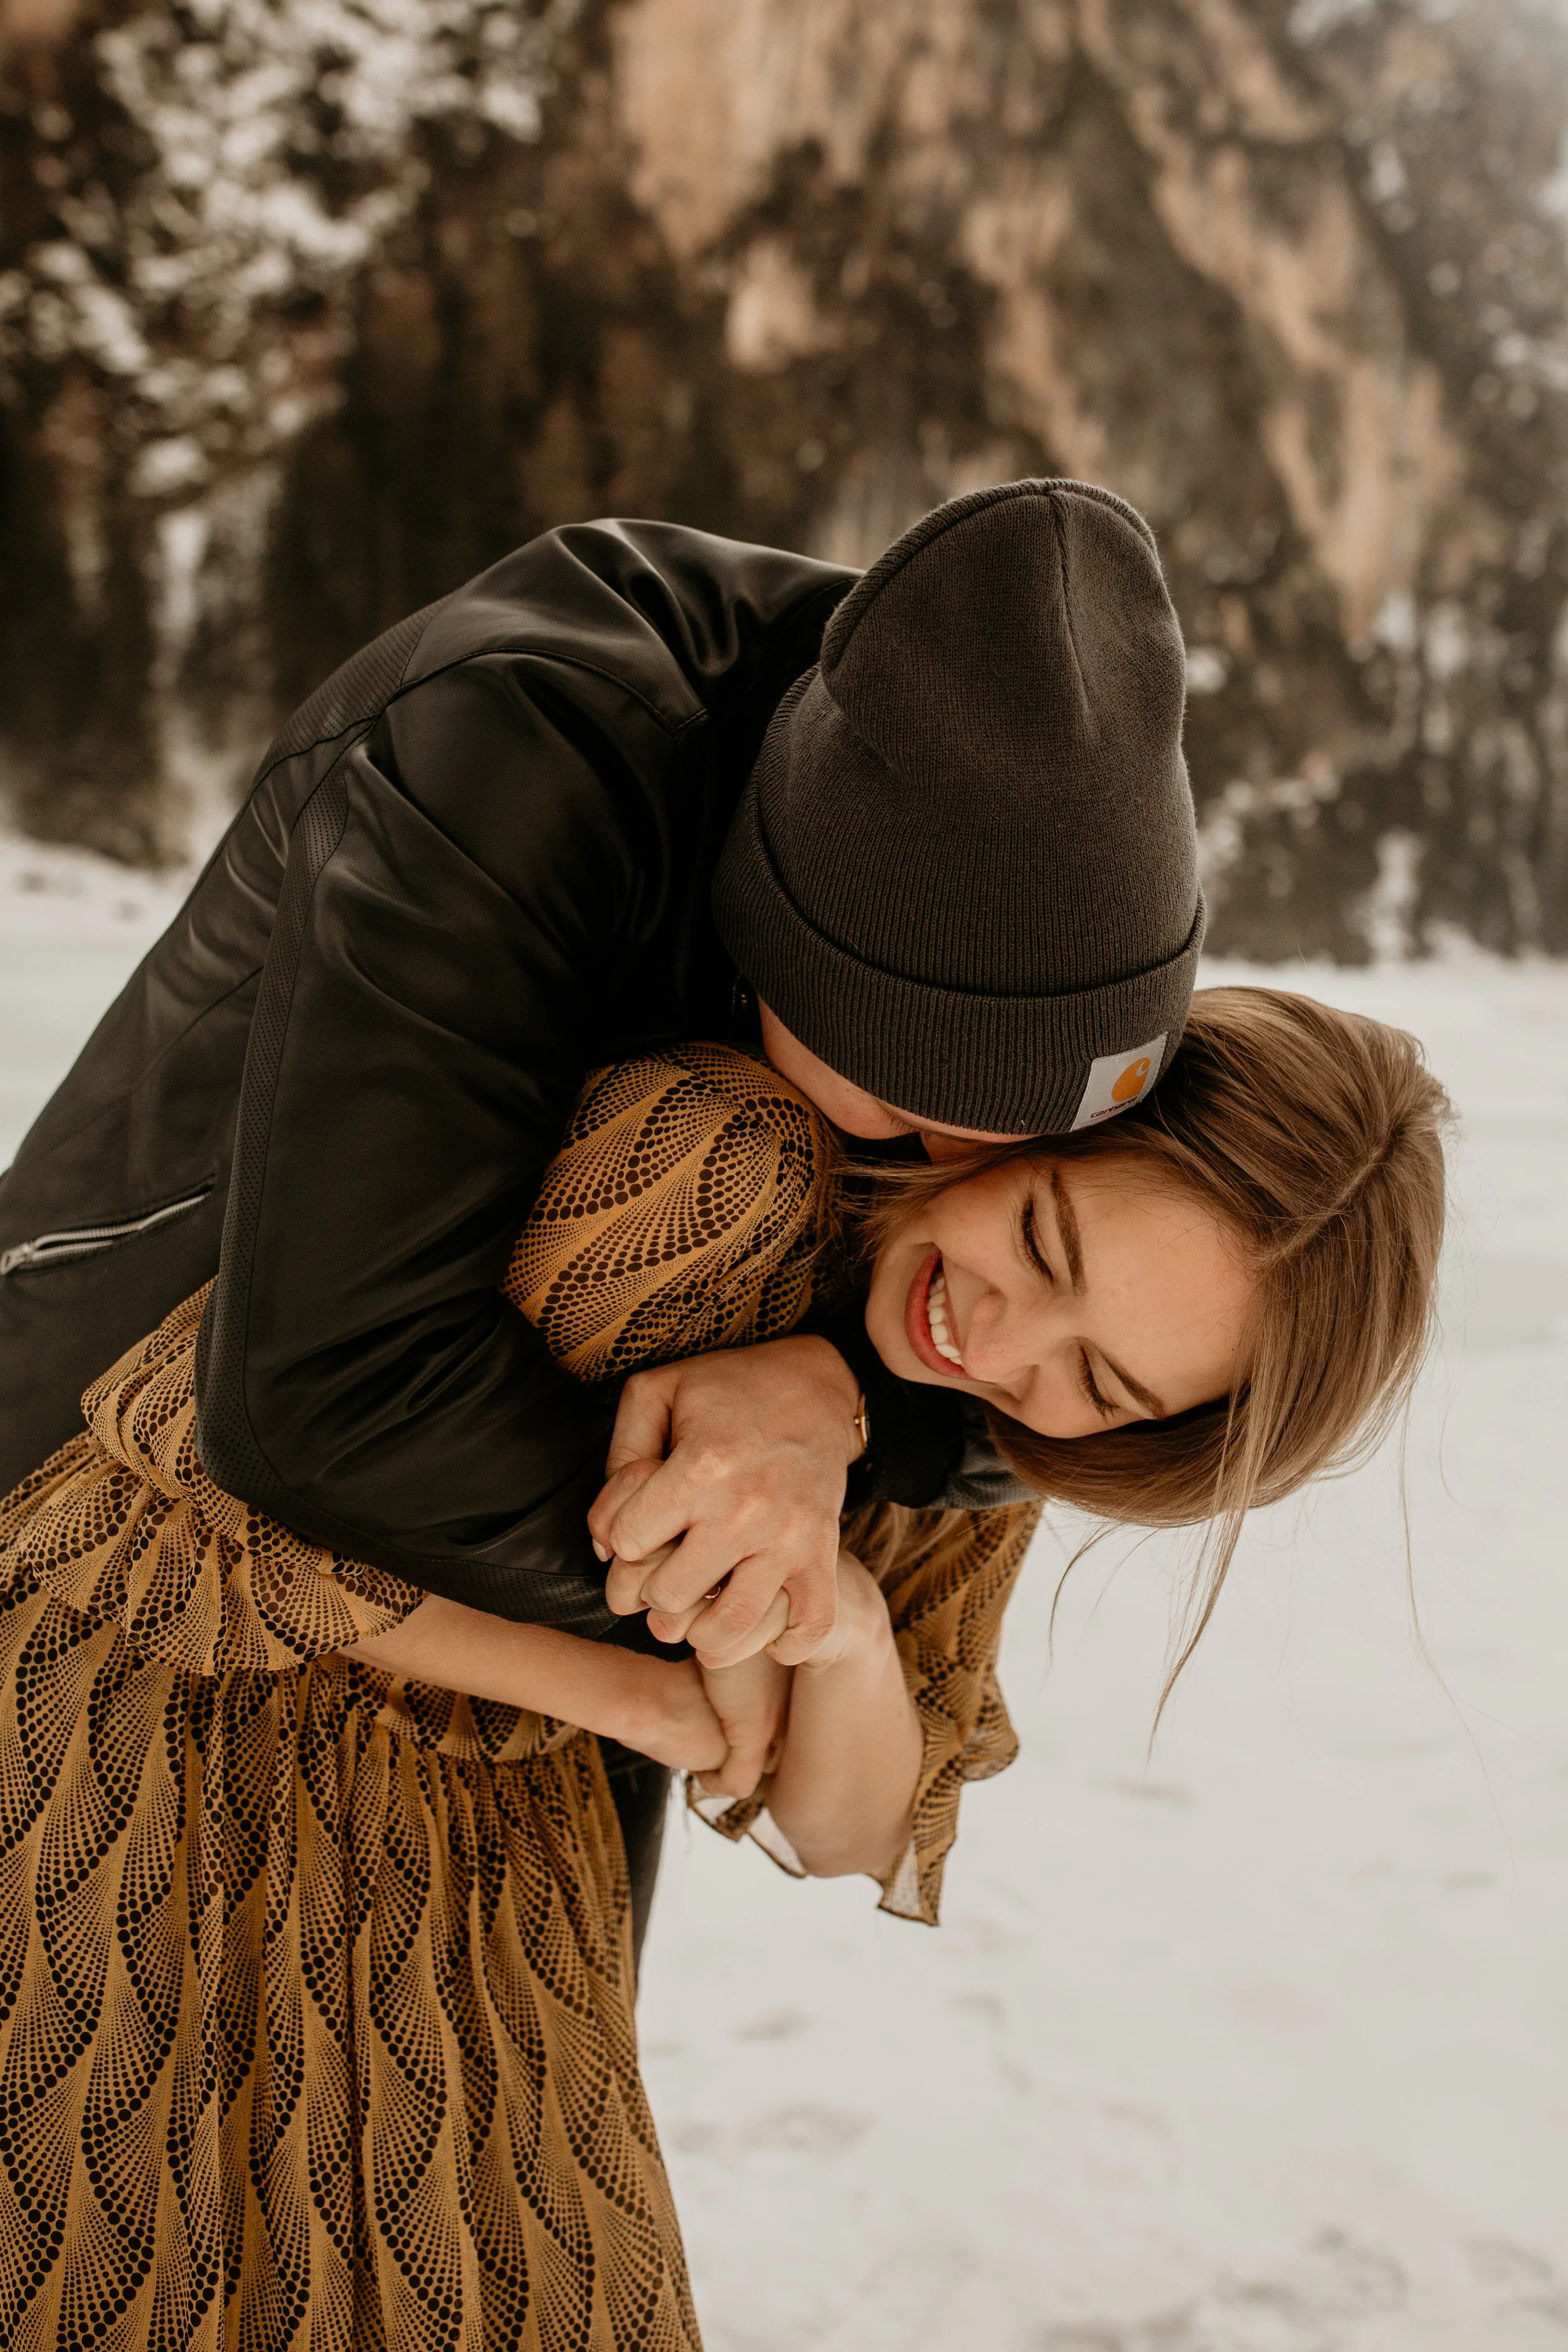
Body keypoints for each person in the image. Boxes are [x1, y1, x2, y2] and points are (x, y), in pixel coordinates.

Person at [0, 984, 1449, 2349]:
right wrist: (645, 1696)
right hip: (154, 1739)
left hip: (502, 1875)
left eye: (1107, 1381)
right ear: (1040, 1122)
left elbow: (854, 1826)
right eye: (1050, 1243)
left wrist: (844, 1630)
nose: (999, 1343)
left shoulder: (1002, 1428)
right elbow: (155, 1509)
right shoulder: (710, 1162)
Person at [0, 474, 1207, 1940]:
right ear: (780, 938)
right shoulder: (525, 742)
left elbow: (876, 1738)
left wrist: (839, 1404)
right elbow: (326, 1396)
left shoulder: (1031, 901)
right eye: (902, 1109)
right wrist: (744, 1612)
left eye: (1016, 1156)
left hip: (515, 1785)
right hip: (112, 1484)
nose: (951, 1175)